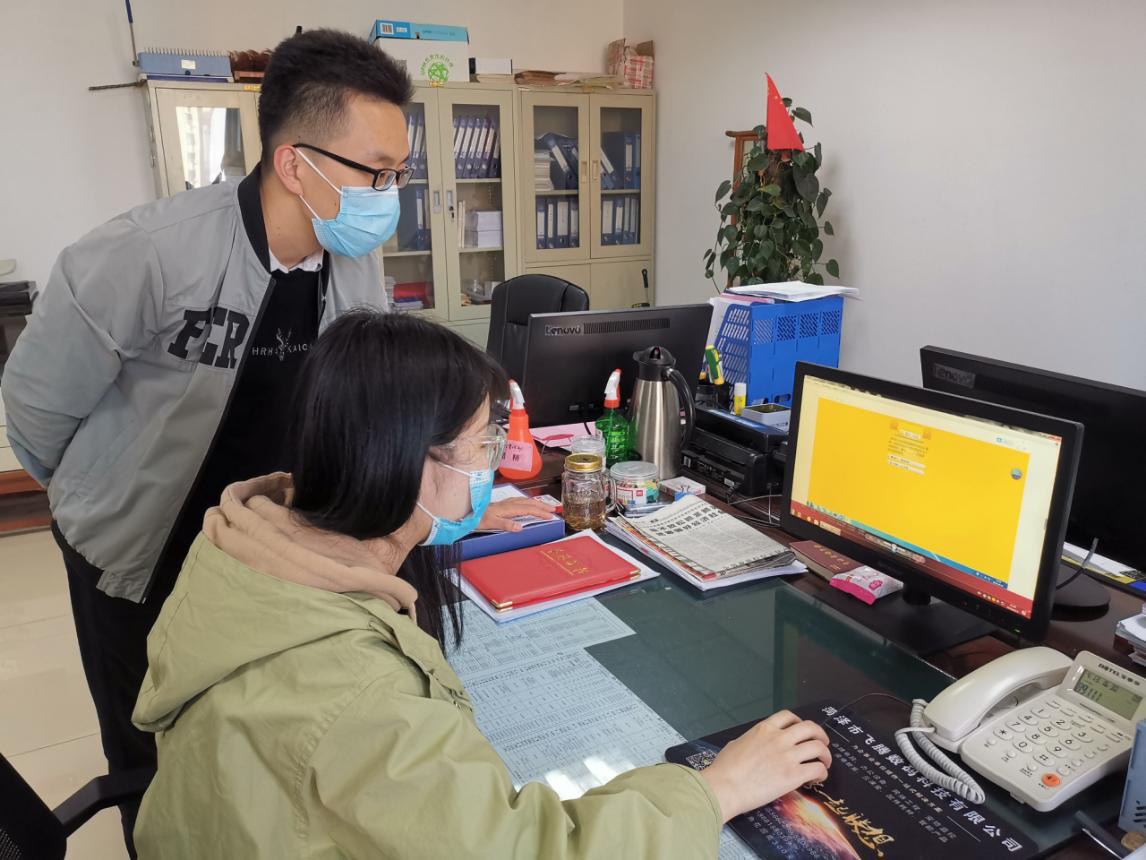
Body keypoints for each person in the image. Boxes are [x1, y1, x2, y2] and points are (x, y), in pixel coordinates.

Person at [0, 29, 549, 855]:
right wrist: (103, 503)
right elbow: (35, 413)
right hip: (134, 555)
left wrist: (452, 496)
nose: (391, 196)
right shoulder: (143, 257)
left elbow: (368, 414)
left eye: (399, 174)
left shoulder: (351, 264)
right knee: (148, 753)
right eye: (376, 173)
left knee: (251, 752)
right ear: (295, 164)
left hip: (262, 550)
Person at [131, 310, 832, 858]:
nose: (493, 466)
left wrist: (440, 524)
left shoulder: (248, 548)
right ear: (404, 460)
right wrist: (717, 789)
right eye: (482, 446)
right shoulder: (358, 694)